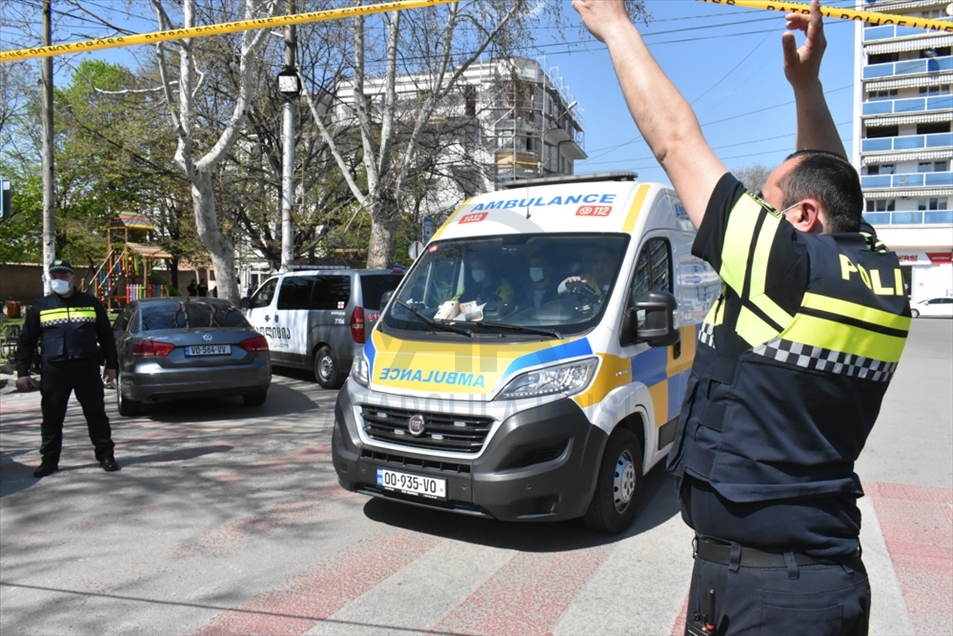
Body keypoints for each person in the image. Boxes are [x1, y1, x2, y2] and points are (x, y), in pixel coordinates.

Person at [573, 1, 909, 634]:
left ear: (802, 220)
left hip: (774, 598)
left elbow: (675, 142)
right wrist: (807, 86)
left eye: (766, 203)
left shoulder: (790, 272)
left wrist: (613, 24)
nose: (753, 211)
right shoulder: (881, 277)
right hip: (793, 580)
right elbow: (835, 190)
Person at [15, 259, 121, 477]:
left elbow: (107, 336)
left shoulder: (91, 303)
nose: (59, 280)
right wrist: (22, 372)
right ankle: (49, 461)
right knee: (52, 417)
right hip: (55, 370)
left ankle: (106, 456)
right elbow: (26, 341)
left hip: (86, 368)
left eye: (63, 276)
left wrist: (111, 365)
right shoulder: (41, 307)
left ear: (73, 277)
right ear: (49, 278)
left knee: (96, 414)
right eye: (55, 276)